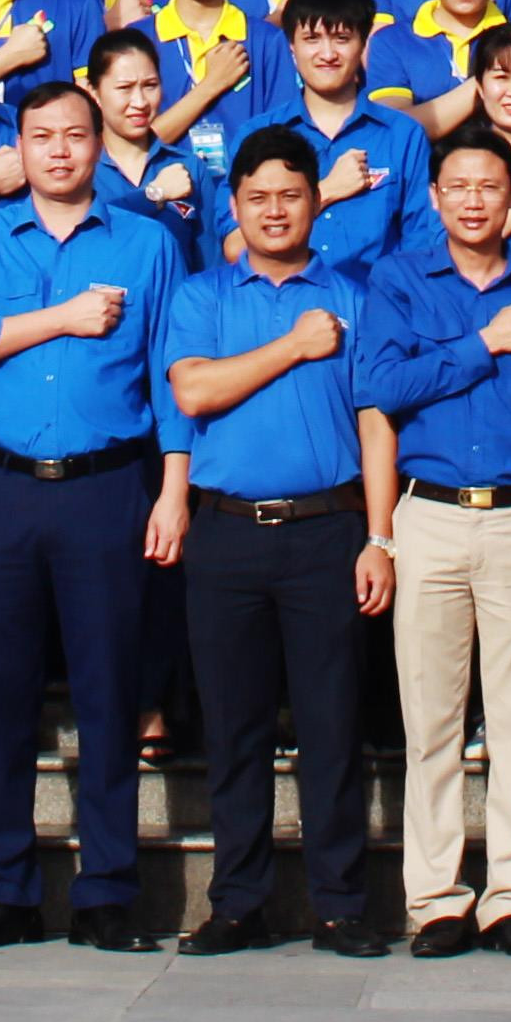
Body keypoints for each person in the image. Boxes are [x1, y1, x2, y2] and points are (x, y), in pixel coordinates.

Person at [0, 77, 190, 949]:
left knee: (109, 691)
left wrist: (174, 489)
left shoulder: (148, 245)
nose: (61, 152)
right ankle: (4, 888)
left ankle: (106, 891)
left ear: (97, 138)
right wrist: (59, 320)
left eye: (75, 135)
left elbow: (169, 375)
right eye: (42, 137)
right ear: (21, 147)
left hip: (107, 486)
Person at [359, 127, 511, 956]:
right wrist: (480, 344)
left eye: (489, 187)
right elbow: (381, 386)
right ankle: (436, 899)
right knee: (431, 719)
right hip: (427, 516)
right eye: (456, 186)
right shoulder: (398, 280)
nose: (471, 200)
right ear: (434, 196)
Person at [155, 131, 389, 955]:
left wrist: (379, 535)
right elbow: (195, 387)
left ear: (317, 203)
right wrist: (293, 344)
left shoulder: (355, 293)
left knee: (331, 726)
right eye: (258, 197)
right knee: (236, 728)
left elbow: (374, 418)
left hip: (328, 528)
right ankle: (238, 899)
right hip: (227, 533)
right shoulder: (203, 296)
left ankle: (339, 902)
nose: (275, 210)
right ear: (235, 207)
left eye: (291, 195)